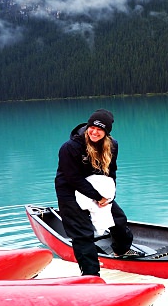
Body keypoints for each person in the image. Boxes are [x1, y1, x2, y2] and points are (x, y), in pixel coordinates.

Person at [54, 109, 133, 275]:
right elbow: (73, 178)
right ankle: (91, 276)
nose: (95, 132)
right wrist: (97, 197)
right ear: (88, 126)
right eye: (92, 127)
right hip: (69, 191)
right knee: (82, 235)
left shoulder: (112, 145)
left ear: (106, 132)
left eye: (100, 129)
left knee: (119, 220)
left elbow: (111, 173)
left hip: (97, 188)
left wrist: (109, 197)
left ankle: (122, 251)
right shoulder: (70, 147)